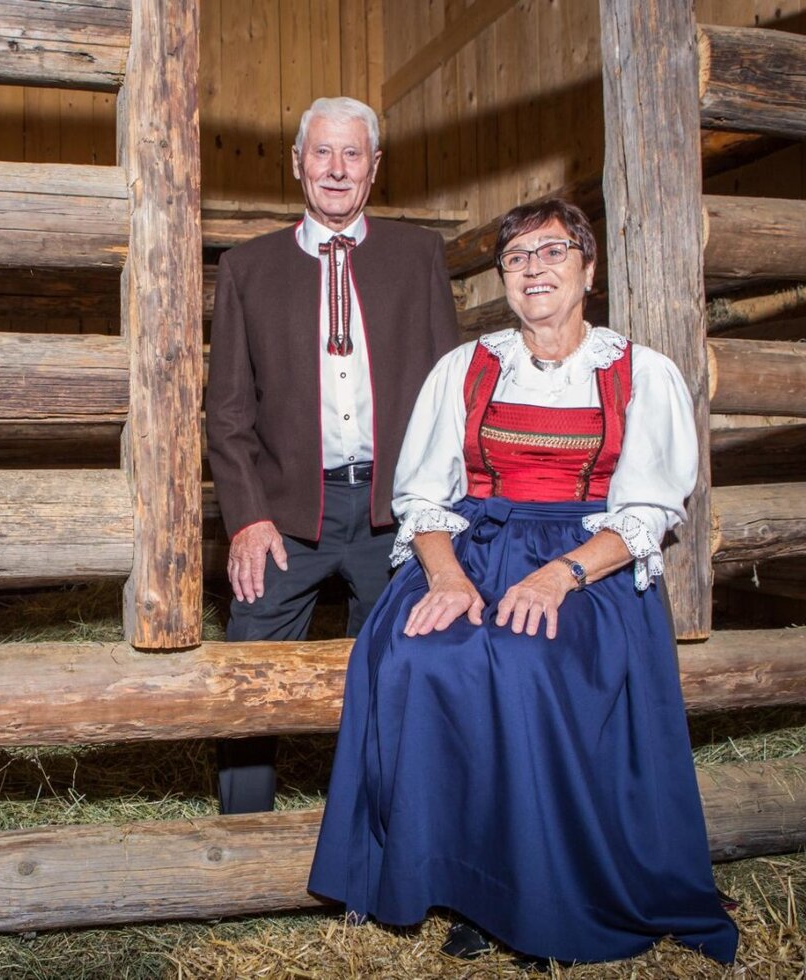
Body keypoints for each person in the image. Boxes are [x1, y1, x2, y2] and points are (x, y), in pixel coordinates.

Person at [308, 198, 739, 964]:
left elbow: (647, 510)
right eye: (517, 258)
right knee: (414, 656)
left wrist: (559, 576)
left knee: (528, 666)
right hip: (476, 548)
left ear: (588, 268)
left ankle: (540, 893)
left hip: (589, 561)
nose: (534, 269)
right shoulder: (465, 368)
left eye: (552, 252)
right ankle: (457, 882)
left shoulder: (641, 372)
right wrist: (443, 575)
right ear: (503, 277)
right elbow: (424, 497)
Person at [204, 96, 458, 815]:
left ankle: (387, 837)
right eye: (323, 153)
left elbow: (448, 392)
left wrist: (441, 509)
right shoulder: (249, 268)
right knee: (249, 664)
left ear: (375, 167)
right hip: (286, 511)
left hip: (396, 511)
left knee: (409, 668)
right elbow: (226, 412)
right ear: (297, 164)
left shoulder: (418, 255)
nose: (337, 169)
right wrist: (249, 517)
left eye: (353, 154)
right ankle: (243, 841)